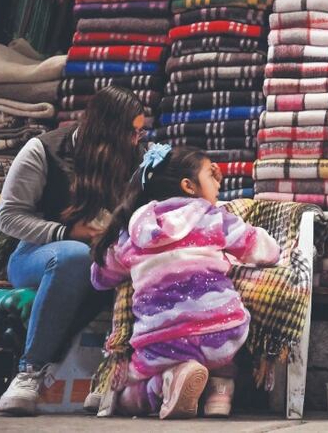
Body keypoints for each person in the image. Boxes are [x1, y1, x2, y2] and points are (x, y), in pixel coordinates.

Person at [91, 144, 280, 419]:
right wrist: (276, 248)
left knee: (127, 396)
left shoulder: (136, 229)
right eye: (210, 175)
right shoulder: (213, 217)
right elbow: (260, 248)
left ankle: (162, 384)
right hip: (223, 332)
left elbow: (102, 277)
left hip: (160, 341)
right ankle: (220, 393)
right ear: (189, 186)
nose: (217, 181)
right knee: (221, 333)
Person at [0, 86, 145, 415]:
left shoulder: (133, 159)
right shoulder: (44, 150)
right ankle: (29, 372)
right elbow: (8, 216)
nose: (137, 140)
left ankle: (108, 376)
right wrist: (66, 232)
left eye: (139, 133)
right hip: (38, 255)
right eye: (132, 133)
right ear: (109, 130)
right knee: (74, 257)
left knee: (136, 267)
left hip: (97, 255)